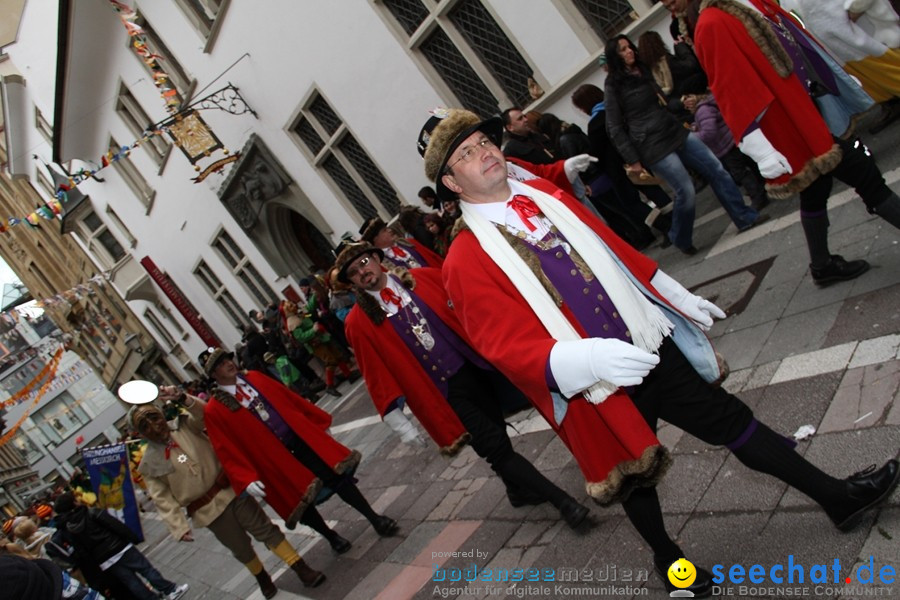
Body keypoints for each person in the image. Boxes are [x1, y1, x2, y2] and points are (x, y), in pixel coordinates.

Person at [421, 108, 900, 597]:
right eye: (465, 154)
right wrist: (586, 362)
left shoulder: (543, 194)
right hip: (594, 387)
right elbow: (502, 345)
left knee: (731, 421)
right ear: (453, 184)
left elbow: (611, 250)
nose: (482, 153)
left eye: (483, 142)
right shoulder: (464, 258)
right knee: (634, 479)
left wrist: (673, 293)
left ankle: (836, 497)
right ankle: (675, 570)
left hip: (647, 344)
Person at [336, 242, 591, 528]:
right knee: (497, 451)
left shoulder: (424, 278)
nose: (363, 271)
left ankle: (516, 490)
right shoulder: (358, 323)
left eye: (365, 261)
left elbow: (470, 307)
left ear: (376, 259)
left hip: (475, 369)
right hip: (442, 395)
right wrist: (399, 421)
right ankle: (565, 504)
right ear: (351, 283)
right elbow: (375, 374)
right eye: (354, 272)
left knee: (497, 430)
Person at [676, 0, 900, 285]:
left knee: (816, 186)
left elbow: (797, 43)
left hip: (803, 111)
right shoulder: (712, 22)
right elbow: (730, 91)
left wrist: (836, 80)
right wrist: (760, 148)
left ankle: (822, 265)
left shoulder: (752, 3)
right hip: (786, 126)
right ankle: (822, 265)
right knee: (864, 171)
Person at [201, 348, 399, 555]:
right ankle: (332, 537)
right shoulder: (214, 410)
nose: (229, 364)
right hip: (274, 461)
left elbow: (288, 398)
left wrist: (315, 421)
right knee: (300, 503)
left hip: (299, 441)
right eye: (221, 364)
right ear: (214, 374)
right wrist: (246, 478)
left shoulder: (256, 377)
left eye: (227, 359)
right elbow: (225, 449)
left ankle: (374, 518)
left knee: (337, 477)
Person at [129, 391, 325, 596]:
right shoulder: (148, 464)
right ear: (140, 434)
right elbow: (162, 498)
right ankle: (261, 576)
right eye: (144, 426)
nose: (153, 426)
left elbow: (204, 414)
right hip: (206, 510)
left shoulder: (185, 425)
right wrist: (178, 526)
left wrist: (183, 398)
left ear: (161, 413)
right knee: (240, 547)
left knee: (265, 529)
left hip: (230, 490)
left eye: (153, 417)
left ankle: (300, 567)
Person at [604, 34, 766, 254]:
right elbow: (614, 126)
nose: (629, 51)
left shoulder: (643, 71)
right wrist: (632, 159)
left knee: (717, 169)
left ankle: (744, 217)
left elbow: (662, 102)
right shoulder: (613, 85)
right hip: (652, 144)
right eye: (622, 50)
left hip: (673, 130)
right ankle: (679, 236)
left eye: (629, 47)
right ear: (615, 56)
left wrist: (681, 103)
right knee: (685, 191)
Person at [53, 492, 188, 600]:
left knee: (131, 582)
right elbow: (114, 525)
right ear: (74, 503)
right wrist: (132, 537)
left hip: (104, 560)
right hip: (120, 547)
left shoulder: (69, 529)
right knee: (146, 570)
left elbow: (83, 550)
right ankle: (171, 590)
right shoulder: (91, 512)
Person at [682, 85, 770, 210]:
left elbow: (709, 132)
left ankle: (758, 196)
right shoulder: (702, 109)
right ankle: (761, 186)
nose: (687, 104)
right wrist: (696, 126)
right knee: (747, 165)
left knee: (739, 173)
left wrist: (692, 137)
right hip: (728, 142)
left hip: (725, 146)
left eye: (687, 99)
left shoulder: (703, 110)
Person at [360, 216, 444, 269]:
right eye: (384, 230)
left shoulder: (410, 242)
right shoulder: (382, 265)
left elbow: (434, 258)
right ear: (376, 239)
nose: (390, 230)